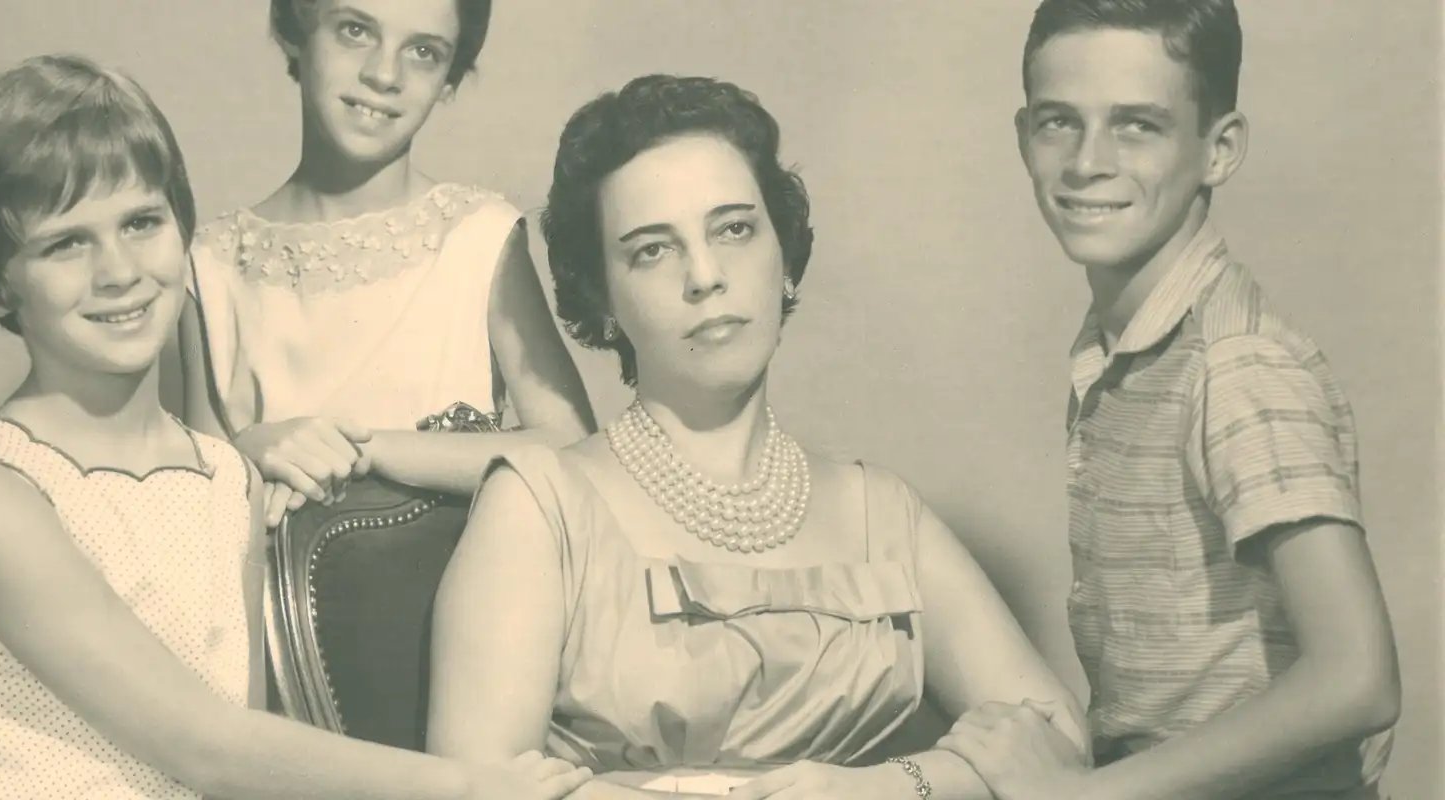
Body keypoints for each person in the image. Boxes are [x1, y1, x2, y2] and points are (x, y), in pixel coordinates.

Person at [0, 52, 589, 799]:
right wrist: (466, 788)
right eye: (66, 243)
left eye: (141, 222)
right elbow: (205, 744)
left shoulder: (224, 478)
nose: (119, 271)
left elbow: (255, 765)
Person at [425, 73, 1088, 799]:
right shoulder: (537, 508)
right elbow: (475, 791)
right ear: (603, 299)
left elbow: (1059, 741)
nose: (706, 275)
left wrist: (886, 787)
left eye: (734, 229)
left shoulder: (883, 513)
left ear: (785, 258)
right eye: (652, 250)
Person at [937, 2, 1402, 798]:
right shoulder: (1127, 347)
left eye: (1137, 126)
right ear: (1023, 137)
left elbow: (1359, 679)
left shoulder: (1235, 364)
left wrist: (1081, 795)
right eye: (1059, 122)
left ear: (1219, 150)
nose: (1088, 162)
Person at [179, 0, 595, 526]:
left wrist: (367, 450)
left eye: (423, 51)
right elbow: (198, 513)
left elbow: (574, 452)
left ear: (449, 79)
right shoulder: (211, 265)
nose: (383, 74)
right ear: (293, 29)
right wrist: (246, 452)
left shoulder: (478, 236)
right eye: (355, 30)